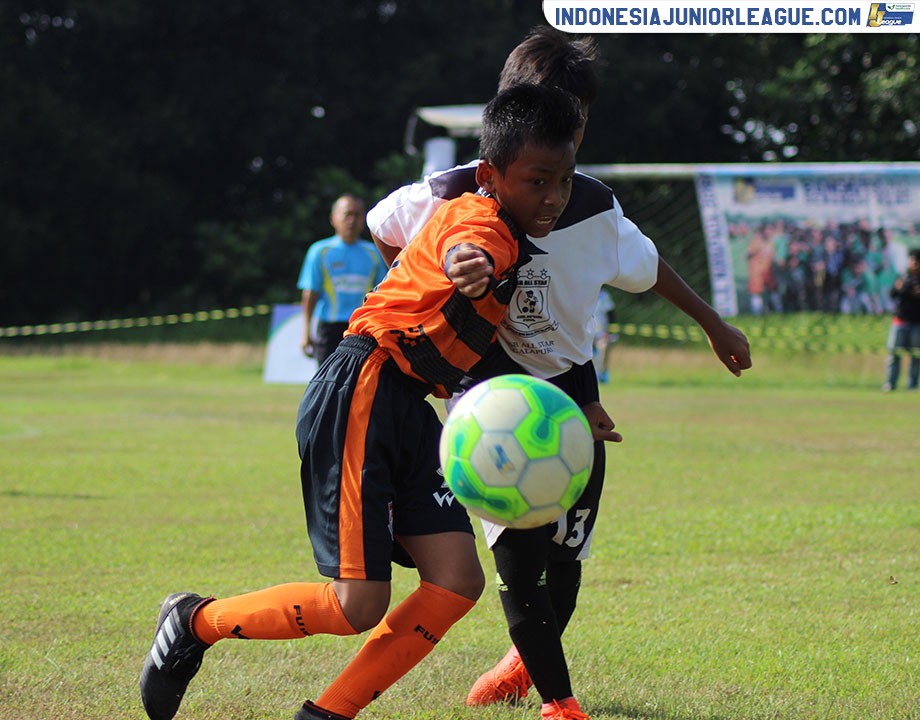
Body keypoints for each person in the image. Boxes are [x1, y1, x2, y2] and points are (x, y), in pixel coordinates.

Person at [139, 83, 585, 720]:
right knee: (358, 604)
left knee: (456, 580)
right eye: (539, 181)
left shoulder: (512, 230)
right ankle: (194, 621)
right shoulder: (481, 221)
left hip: (406, 405)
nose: (554, 196)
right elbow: (467, 248)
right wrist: (470, 266)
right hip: (364, 386)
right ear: (492, 174)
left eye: (564, 181)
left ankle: (326, 714)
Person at [368, 27, 751, 720]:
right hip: (491, 397)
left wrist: (712, 324)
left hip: (574, 390)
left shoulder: (596, 207)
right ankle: (559, 701)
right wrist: (434, 296)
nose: (566, 130)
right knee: (519, 556)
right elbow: (384, 224)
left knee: (567, 562)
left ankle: (525, 663)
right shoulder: (453, 192)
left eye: (575, 119)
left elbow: (648, 265)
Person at [297, 195, 387, 365]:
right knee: (326, 385)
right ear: (333, 218)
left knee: (357, 385)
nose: (352, 220)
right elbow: (311, 293)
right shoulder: (320, 251)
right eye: (347, 214)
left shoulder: (374, 253)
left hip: (361, 328)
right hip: (329, 327)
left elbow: (383, 293)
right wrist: (305, 333)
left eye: (357, 214)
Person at [883, 247, 920, 391]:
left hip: (917, 323)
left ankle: (912, 385)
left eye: (917, 261)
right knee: (894, 354)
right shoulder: (903, 276)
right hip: (900, 321)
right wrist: (902, 288)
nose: (914, 263)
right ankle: (890, 383)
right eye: (912, 260)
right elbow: (893, 294)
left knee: (916, 356)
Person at [591, 288, 616, 384]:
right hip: (587, 332)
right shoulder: (584, 292)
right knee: (588, 356)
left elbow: (611, 314)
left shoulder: (604, 295)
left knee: (602, 353)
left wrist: (610, 331)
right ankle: (591, 376)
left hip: (602, 332)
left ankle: (601, 374)